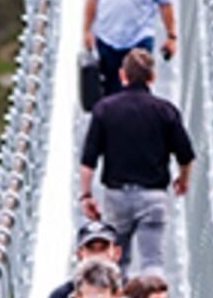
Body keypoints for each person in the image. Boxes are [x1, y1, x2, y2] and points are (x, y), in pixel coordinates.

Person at [79, 49, 194, 279]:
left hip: (116, 196)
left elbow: (88, 160)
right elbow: (186, 156)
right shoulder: (165, 111)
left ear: (122, 75)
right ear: (152, 77)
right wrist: (183, 179)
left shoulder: (105, 109)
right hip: (153, 196)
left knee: (116, 263)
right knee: (153, 262)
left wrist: (86, 195)